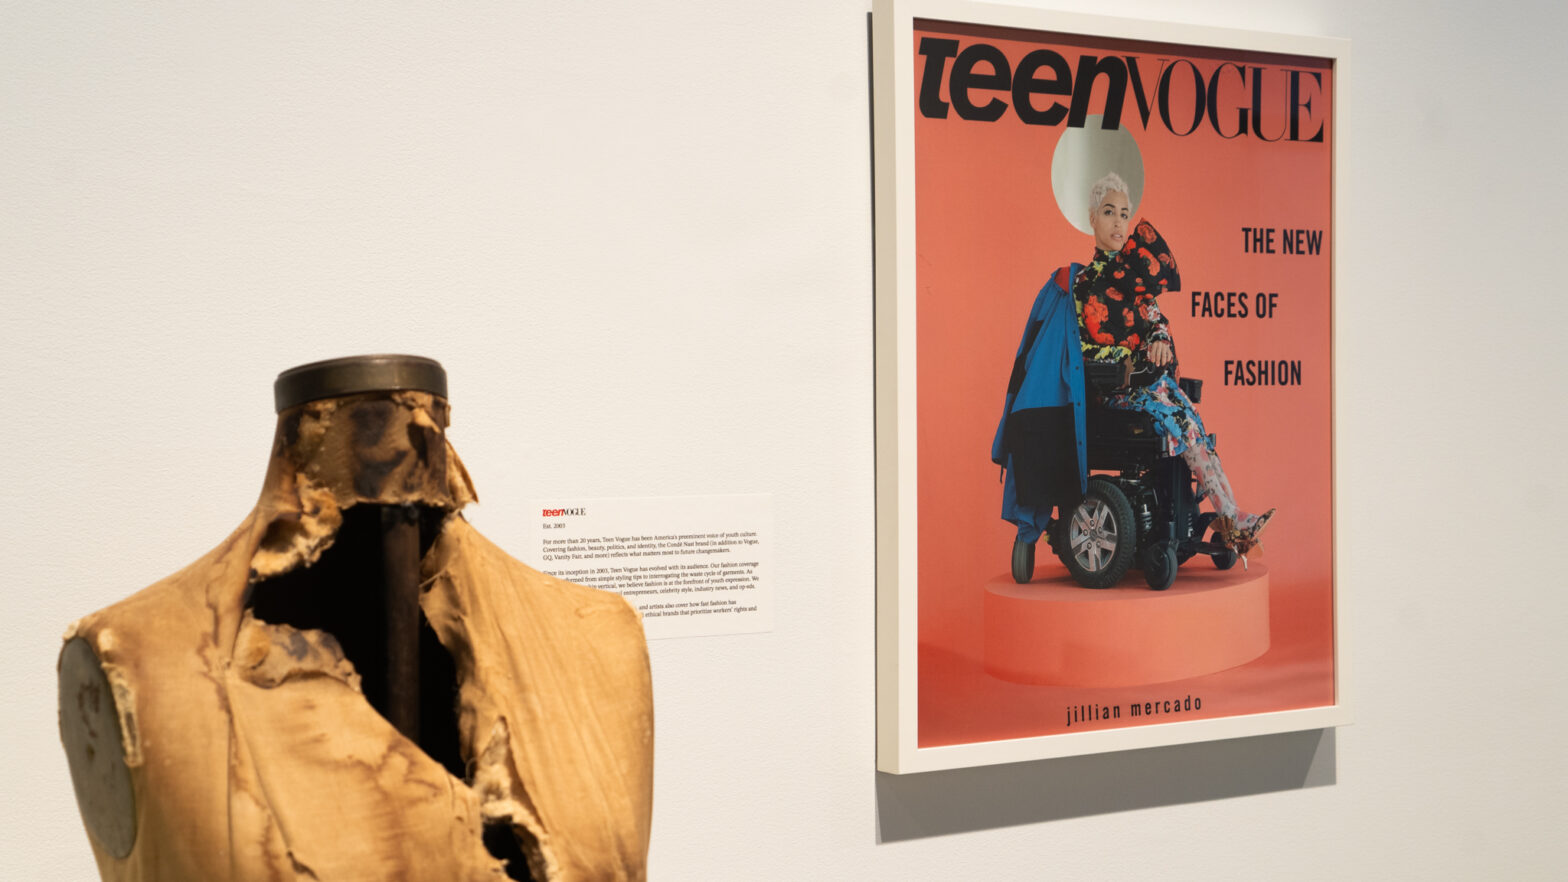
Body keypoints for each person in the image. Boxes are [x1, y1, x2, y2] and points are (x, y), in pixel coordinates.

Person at [993, 172, 1273, 562]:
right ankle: (1231, 515)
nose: (1118, 223)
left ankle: (1230, 515)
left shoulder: (1138, 283)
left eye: (1124, 214)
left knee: (1191, 423)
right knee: (1180, 417)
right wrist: (1128, 360)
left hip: (1148, 389)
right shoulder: (1080, 285)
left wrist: (1158, 343)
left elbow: (1157, 325)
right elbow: (1079, 348)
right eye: (1109, 212)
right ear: (1092, 218)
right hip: (1108, 393)